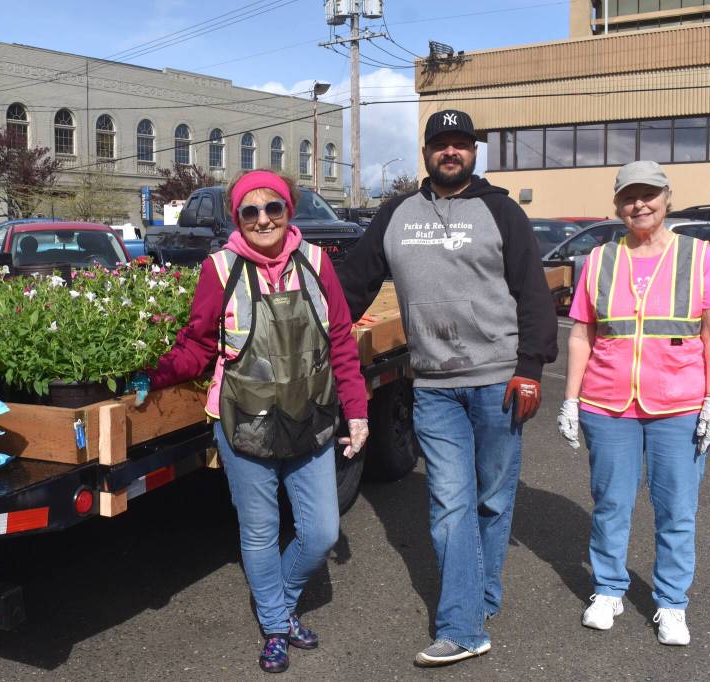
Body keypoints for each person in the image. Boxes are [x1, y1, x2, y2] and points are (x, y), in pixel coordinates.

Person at [338, 109, 558, 667]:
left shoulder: (500, 211)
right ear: (427, 152)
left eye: (462, 144)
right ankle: (463, 626)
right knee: (449, 504)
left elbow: (533, 291)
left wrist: (530, 367)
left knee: (491, 497)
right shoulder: (397, 213)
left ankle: (479, 597)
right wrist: (296, 301)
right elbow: (351, 283)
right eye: (443, 144)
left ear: (473, 152)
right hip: (433, 385)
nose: (452, 152)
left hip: (497, 382)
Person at [132, 169, 369, 674]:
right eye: (250, 211)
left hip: (310, 416)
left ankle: (278, 606)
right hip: (244, 419)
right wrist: (152, 375)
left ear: (289, 210)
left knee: (322, 531)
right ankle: (278, 626)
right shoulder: (220, 268)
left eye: (273, 208)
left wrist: (359, 411)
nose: (263, 219)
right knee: (259, 533)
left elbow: (342, 341)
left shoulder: (317, 262)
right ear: (237, 218)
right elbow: (197, 344)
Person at [557, 160, 710, 646]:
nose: (640, 204)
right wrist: (570, 400)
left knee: (676, 507)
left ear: (667, 197)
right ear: (617, 205)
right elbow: (582, 334)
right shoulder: (600, 259)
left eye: (649, 194)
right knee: (610, 503)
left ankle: (671, 602)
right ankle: (608, 589)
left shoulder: (697, 256)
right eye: (629, 197)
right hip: (608, 402)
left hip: (679, 404)